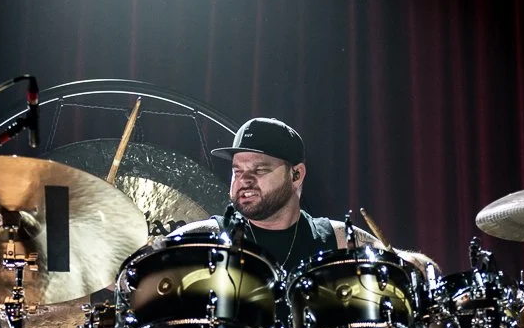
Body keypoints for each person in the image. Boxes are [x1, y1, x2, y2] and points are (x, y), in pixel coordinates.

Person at [171, 117, 438, 276]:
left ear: (296, 174)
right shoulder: (207, 237)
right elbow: (151, 262)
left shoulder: (335, 238)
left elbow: (424, 269)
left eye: (260, 170)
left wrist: (414, 265)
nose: (244, 180)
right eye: (237, 171)